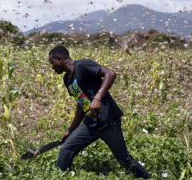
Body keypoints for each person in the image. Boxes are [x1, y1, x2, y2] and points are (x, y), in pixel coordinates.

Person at [48, 45, 151, 179]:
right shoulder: (67, 80)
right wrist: (71, 130)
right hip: (90, 123)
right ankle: (59, 177)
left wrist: (97, 98)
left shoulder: (83, 65)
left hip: (108, 121)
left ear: (60, 59)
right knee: (66, 150)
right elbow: (81, 103)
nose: (52, 67)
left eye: (52, 63)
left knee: (124, 160)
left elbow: (110, 73)